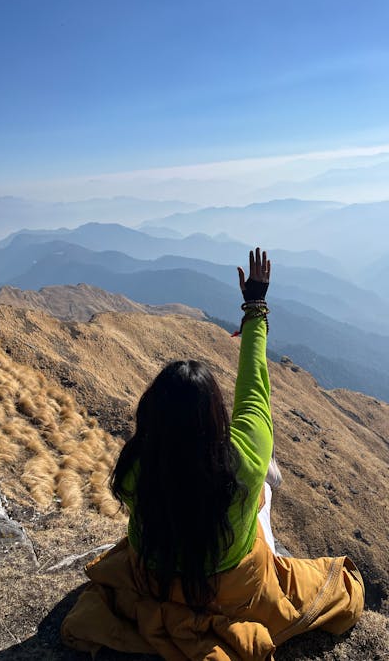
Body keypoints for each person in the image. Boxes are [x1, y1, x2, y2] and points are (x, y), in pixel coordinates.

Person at [61, 247, 365, 660]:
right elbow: (254, 391)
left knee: (253, 486)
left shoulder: (137, 466)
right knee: (274, 498)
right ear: (216, 417)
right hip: (231, 590)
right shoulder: (242, 460)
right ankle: (274, 540)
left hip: (154, 580)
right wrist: (255, 307)